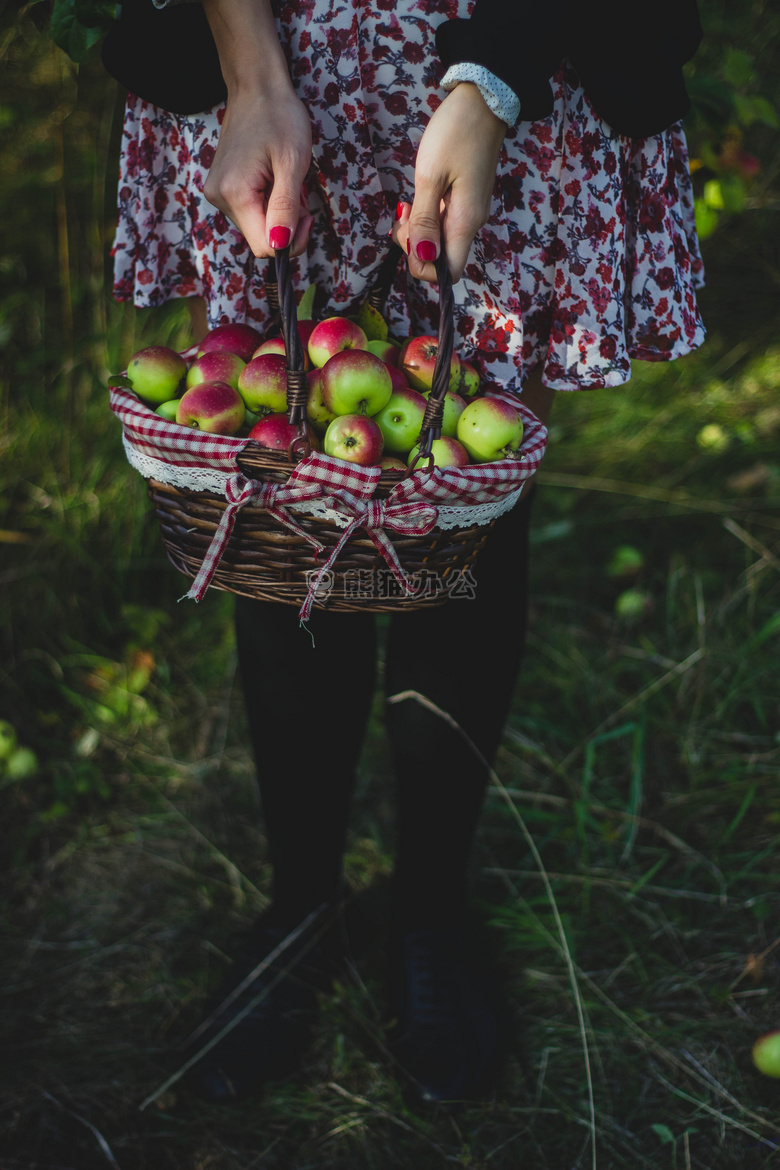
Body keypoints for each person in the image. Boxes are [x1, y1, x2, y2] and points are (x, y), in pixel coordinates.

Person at [103, 0, 706, 1105]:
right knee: (281, 503)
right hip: (295, 60)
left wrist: (493, 83)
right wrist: (249, 70)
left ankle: (430, 904)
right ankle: (301, 907)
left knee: (461, 495)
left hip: (520, 47)